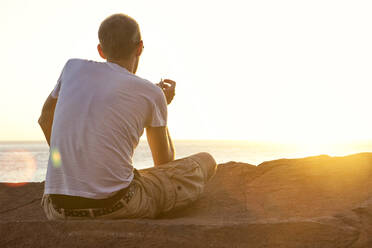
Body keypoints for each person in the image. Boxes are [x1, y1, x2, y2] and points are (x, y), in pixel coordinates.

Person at [38, 13, 217, 220]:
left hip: (57, 209)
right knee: (206, 160)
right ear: (140, 47)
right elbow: (165, 165)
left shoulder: (72, 68)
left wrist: (70, 161)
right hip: (118, 206)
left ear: (100, 50)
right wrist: (161, 105)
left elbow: (44, 118)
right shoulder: (151, 93)